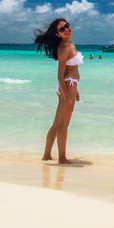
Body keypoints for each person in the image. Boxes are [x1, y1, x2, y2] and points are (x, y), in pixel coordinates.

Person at [34, 17, 82, 165]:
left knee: (57, 123)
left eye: (67, 26)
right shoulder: (63, 48)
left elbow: (73, 69)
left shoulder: (70, 44)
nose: (67, 29)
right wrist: (67, 96)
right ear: (57, 34)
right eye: (62, 29)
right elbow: (60, 76)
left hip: (71, 85)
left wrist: (76, 91)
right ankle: (62, 158)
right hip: (67, 85)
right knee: (63, 124)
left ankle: (47, 155)